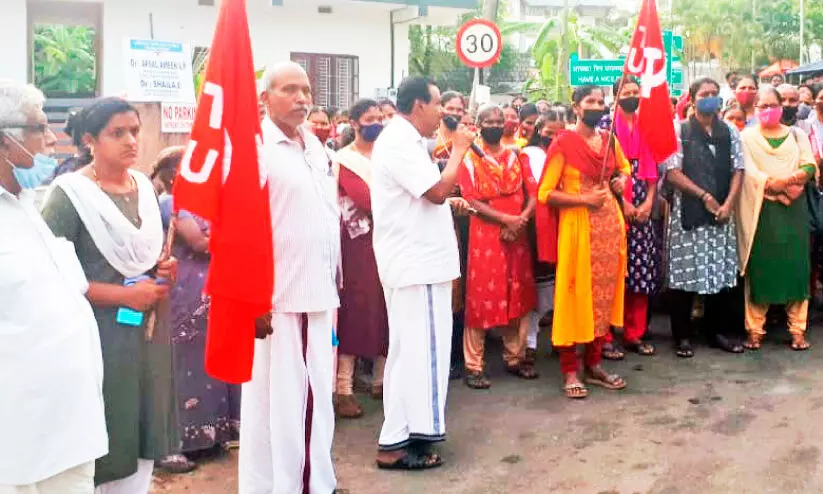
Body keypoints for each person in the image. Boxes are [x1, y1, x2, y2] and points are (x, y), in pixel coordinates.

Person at [41, 97, 178, 493]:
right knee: (107, 431)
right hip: (97, 336)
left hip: (147, 332)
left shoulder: (146, 191)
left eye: (134, 131)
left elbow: (148, 262)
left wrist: (161, 271)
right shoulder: (69, 195)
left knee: (143, 429)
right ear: (90, 140)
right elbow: (52, 276)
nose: (131, 141)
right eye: (117, 133)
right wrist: (122, 297)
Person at [238, 62, 341, 493]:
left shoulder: (314, 146)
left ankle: (304, 481)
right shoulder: (255, 148)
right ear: (265, 98)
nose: (302, 97)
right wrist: (251, 299)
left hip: (318, 293)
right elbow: (241, 226)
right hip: (284, 299)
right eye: (289, 89)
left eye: (306, 89)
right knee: (294, 405)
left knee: (305, 402)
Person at [0, 80, 107, 494]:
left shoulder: (28, 205)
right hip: (19, 446)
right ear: (6, 141)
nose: (50, 139)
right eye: (39, 128)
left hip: (73, 428)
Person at [371, 76, 473, 470]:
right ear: (417, 106)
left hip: (416, 264)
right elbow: (436, 192)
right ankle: (408, 438)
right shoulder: (398, 140)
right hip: (417, 266)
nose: (441, 115)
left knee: (408, 355)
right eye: (437, 107)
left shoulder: (407, 141)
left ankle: (396, 438)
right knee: (422, 354)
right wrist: (461, 151)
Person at [536, 85, 630, 400]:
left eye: (601, 102)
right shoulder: (564, 143)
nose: (597, 106)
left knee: (602, 299)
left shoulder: (608, 141)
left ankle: (594, 365)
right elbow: (545, 192)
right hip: (577, 228)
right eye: (590, 101)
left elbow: (626, 169)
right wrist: (583, 199)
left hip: (609, 226)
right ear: (577, 107)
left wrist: (620, 180)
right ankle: (570, 371)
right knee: (572, 298)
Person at [152, 147, 241, 474]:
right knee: (183, 367)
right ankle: (173, 444)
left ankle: (213, 436)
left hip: (213, 295)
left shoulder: (212, 204)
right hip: (185, 297)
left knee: (212, 363)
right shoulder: (171, 204)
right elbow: (199, 243)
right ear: (177, 174)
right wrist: (233, 234)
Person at [665, 78, 745, 358]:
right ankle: (682, 336)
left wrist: (729, 204)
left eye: (714, 93)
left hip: (722, 213)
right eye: (704, 94)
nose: (710, 98)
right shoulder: (680, 130)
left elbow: (739, 170)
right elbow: (672, 172)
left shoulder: (730, 131)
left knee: (718, 273)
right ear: (692, 98)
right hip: (689, 212)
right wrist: (704, 197)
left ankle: (716, 333)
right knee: (684, 276)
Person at [458, 104, 538, 389]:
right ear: (479, 124)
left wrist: (521, 220)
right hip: (486, 234)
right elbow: (470, 198)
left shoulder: (518, 154)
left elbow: (532, 192)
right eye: (488, 121)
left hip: (517, 234)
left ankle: (514, 357)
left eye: (498, 120)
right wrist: (506, 220)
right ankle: (474, 365)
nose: (494, 124)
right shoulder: (468, 158)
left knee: (517, 293)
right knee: (482, 296)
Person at [736, 87, 816, 351]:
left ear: (782, 107)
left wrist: (791, 182)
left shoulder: (797, 134)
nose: (767, 110)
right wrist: (778, 189)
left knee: (796, 268)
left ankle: (797, 330)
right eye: (762, 106)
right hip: (762, 211)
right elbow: (749, 174)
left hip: (794, 211)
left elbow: (809, 165)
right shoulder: (746, 137)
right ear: (755, 108)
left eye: (772, 105)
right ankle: (755, 330)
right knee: (760, 270)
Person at [332, 99, 390, 418]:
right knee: (356, 310)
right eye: (370, 118)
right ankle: (344, 388)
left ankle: (382, 380)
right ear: (354, 123)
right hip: (357, 246)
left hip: (390, 241)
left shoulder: (386, 156)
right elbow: (366, 199)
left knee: (387, 308)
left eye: (380, 118)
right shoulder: (345, 160)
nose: (377, 123)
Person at [605, 76, 659, 359]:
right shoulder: (605, 126)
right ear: (615, 96)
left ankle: (633, 333)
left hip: (644, 205)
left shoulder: (646, 123)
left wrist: (649, 201)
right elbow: (604, 171)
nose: (631, 96)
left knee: (640, 273)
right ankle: (606, 335)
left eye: (635, 92)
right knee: (613, 273)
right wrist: (623, 202)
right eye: (626, 92)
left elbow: (653, 169)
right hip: (613, 202)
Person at [430, 90, 470, 380]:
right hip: (437, 215)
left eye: (460, 109)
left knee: (461, 287)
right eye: (450, 108)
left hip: (466, 220)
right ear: (441, 109)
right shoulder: (429, 143)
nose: (454, 113)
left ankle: (457, 354)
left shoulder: (468, 143)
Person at [520, 110, 564, 365]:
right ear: (538, 131)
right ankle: (530, 344)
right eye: (549, 133)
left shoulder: (566, 152)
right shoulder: (529, 154)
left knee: (562, 287)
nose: (553, 138)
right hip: (539, 227)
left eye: (559, 133)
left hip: (565, 223)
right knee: (540, 291)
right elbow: (538, 190)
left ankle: (562, 339)